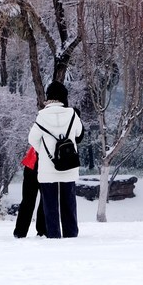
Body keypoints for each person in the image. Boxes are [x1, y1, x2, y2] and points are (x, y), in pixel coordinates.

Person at [28, 81, 84, 239]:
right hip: (69, 165)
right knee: (69, 203)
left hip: (48, 168)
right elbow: (79, 134)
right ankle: (71, 233)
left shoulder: (42, 116)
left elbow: (32, 139)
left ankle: (53, 235)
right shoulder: (72, 114)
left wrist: (44, 154)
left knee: (50, 205)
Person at [12, 147, 45, 238]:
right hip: (45, 165)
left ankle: (20, 232)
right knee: (45, 200)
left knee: (28, 201)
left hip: (32, 163)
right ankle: (43, 230)